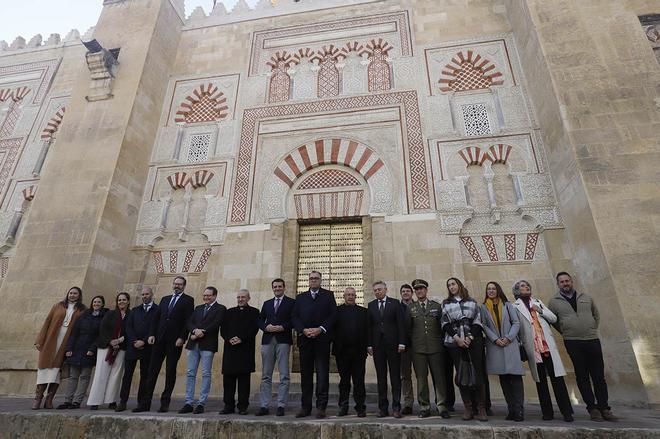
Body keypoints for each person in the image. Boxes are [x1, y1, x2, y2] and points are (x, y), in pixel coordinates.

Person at [548, 272, 616, 422]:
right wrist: (566, 331)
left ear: (571, 282)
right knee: (582, 375)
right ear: (558, 284)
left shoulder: (586, 297)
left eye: (567, 281)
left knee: (599, 376)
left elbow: (596, 315)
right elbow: (553, 320)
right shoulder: (554, 302)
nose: (565, 283)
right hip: (572, 342)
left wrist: (591, 328)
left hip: (592, 340)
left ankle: (604, 407)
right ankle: (592, 408)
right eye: (562, 282)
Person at [513, 279, 573, 422]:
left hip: (547, 346)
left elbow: (553, 318)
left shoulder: (538, 302)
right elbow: (517, 328)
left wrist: (540, 310)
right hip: (534, 348)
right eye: (522, 286)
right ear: (517, 291)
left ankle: (566, 411)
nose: (526, 287)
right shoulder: (515, 306)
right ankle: (547, 412)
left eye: (527, 285)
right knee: (541, 382)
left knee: (557, 379)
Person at [136, 276, 194, 413]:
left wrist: (182, 337)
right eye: (175, 284)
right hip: (159, 340)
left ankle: (165, 403)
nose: (177, 286)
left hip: (175, 342)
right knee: (152, 372)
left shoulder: (188, 300)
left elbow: (188, 321)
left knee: (170, 372)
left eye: (180, 284)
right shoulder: (165, 299)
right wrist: (151, 334)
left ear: (184, 286)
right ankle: (145, 403)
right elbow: (156, 318)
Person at [440, 277, 487, 421]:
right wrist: (457, 338)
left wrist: (469, 337)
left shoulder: (471, 301)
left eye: (453, 284)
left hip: (473, 341)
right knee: (462, 375)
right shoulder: (446, 303)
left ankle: (481, 408)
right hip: (455, 342)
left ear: (459, 285)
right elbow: (445, 323)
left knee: (478, 373)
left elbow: (478, 321)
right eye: (449, 285)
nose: (451, 287)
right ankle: (468, 407)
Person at [291, 271, 337, 419]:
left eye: (316, 278)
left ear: (320, 280)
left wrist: (320, 329)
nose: (313, 280)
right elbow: (294, 317)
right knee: (306, 376)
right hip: (305, 341)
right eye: (311, 278)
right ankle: (305, 407)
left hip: (322, 340)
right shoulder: (300, 297)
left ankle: (321, 407)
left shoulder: (328, 295)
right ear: (308, 281)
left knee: (322, 374)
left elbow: (333, 315)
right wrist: (303, 330)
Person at [33, 286, 86, 410]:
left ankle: (49, 400)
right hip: (51, 341)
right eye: (71, 293)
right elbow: (47, 321)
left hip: (66, 344)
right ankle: (38, 398)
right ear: (68, 294)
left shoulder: (82, 310)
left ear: (79, 296)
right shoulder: (58, 306)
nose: (72, 295)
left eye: (75, 293)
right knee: (44, 369)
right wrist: (39, 340)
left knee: (57, 372)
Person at [480, 282, 524, 421]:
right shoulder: (483, 307)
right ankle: (511, 409)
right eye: (489, 289)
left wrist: (508, 337)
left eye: (493, 289)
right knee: (504, 378)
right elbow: (484, 325)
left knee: (515, 378)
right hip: (496, 345)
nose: (491, 291)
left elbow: (516, 322)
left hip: (509, 344)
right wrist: (495, 339)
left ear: (498, 290)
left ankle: (519, 410)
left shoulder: (507, 305)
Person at [406, 279, 450, 418]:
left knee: (439, 378)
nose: (419, 291)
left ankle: (442, 406)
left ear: (426, 290)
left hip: (435, 347)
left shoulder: (436, 306)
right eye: (417, 289)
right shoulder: (410, 308)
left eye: (422, 289)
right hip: (418, 349)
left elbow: (441, 326)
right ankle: (424, 406)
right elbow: (408, 329)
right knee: (421, 379)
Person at [179, 286, 225, 414]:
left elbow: (216, 324)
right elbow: (189, 322)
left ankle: (201, 403)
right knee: (190, 373)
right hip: (193, 344)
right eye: (204, 295)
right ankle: (188, 402)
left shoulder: (220, 308)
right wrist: (194, 331)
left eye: (208, 295)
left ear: (215, 296)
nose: (206, 297)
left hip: (208, 345)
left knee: (206, 373)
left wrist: (201, 332)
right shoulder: (198, 308)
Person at [58, 295, 107, 409]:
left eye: (99, 302)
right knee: (73, 376)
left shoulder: (104, 318)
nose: (96, 304)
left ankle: (77, 401)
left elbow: (101, 335)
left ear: (102, 304)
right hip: (77, 349)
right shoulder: (83, 316)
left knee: (85, 376)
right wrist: (69, 349)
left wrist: (92, 349)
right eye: (94, 302)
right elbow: (74, 333)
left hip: (90, 351)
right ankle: (67, 400)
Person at [367, 280, 406, 418]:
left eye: (379, 289)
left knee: (395, 377)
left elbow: (401, 324)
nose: (377, 291)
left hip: (394, 346)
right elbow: (370, 327)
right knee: (381, 378)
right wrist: (369, 344)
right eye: (375, 290)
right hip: (378, 347)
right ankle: (383, 408)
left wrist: (402, 342)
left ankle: (396, 407)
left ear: (385, 290)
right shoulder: (371, 305)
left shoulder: (395, 303)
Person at [257, 278, 295, 417]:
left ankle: (281, 405)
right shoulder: (267, 303)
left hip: (283, 340)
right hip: (268, 340)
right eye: (275, 287)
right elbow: (260, 320)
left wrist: (282, 327)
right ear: (272, 288)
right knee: (266, 375)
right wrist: (265, 326)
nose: (277, 288)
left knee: (284, 375)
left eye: (279, 286)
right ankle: (264, 405)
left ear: (284, 287)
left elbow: (294, 320)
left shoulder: (291, 302)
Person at [117, 287, 158, 412]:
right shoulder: (135, 310)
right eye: (143, 294)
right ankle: (123, 402)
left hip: (147, 348)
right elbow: (129, 327)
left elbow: (155, 328)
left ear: (152, 294)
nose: (145, 296)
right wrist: (135, 341)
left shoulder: (157, 310)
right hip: (133, 347)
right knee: (127, 375)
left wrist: (144, 341)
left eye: (147, 294)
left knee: (145, 376)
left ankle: (142, 403)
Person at [87, 292, 130, 410]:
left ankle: (111, 400)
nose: (121, 302)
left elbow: (130, 330)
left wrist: (120, 340)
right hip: (106, 346)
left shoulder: (130, 315)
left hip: (121, 348)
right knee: (101, 373)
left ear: (128, 301)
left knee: (116, 375)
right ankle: (95, 400)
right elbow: (103, 329)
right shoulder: (110, 314)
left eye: (124, 300)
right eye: (119, 300)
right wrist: (111, 341)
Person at [220, 289, 259, 415]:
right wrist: (229, 338)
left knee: (244, 381)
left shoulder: (254, 312)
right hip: (230, 350)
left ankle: (243, 406)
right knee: (228, 381)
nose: (240, 299)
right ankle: (228, 405)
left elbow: (254, 329)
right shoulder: (229, 312)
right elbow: (223, 329)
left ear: (248, 298)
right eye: (238, 297)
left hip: (245, 350)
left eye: (243, 297)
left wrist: (241, 338)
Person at [333, 287, 368, 417]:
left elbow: (367, 331)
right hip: (342, 352)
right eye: (348, 294)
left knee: (359, 381)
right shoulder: (337, 311)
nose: (350, 296)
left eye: (352, 294)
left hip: (359, 352)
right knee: (344, 382)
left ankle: (360, 407)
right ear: (344, 296)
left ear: (356, 296)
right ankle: (343, 406)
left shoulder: (363, 312)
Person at [398, 284, 415, 415]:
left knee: (422, 375)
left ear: (412, 293)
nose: (405, 293)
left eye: (408, 291)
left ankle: (423, 402)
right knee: (405, 376)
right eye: (403, 291)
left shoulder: (418, 306)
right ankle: (408, 403)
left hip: (418, 346)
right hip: (404, 347)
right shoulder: (397, 307)